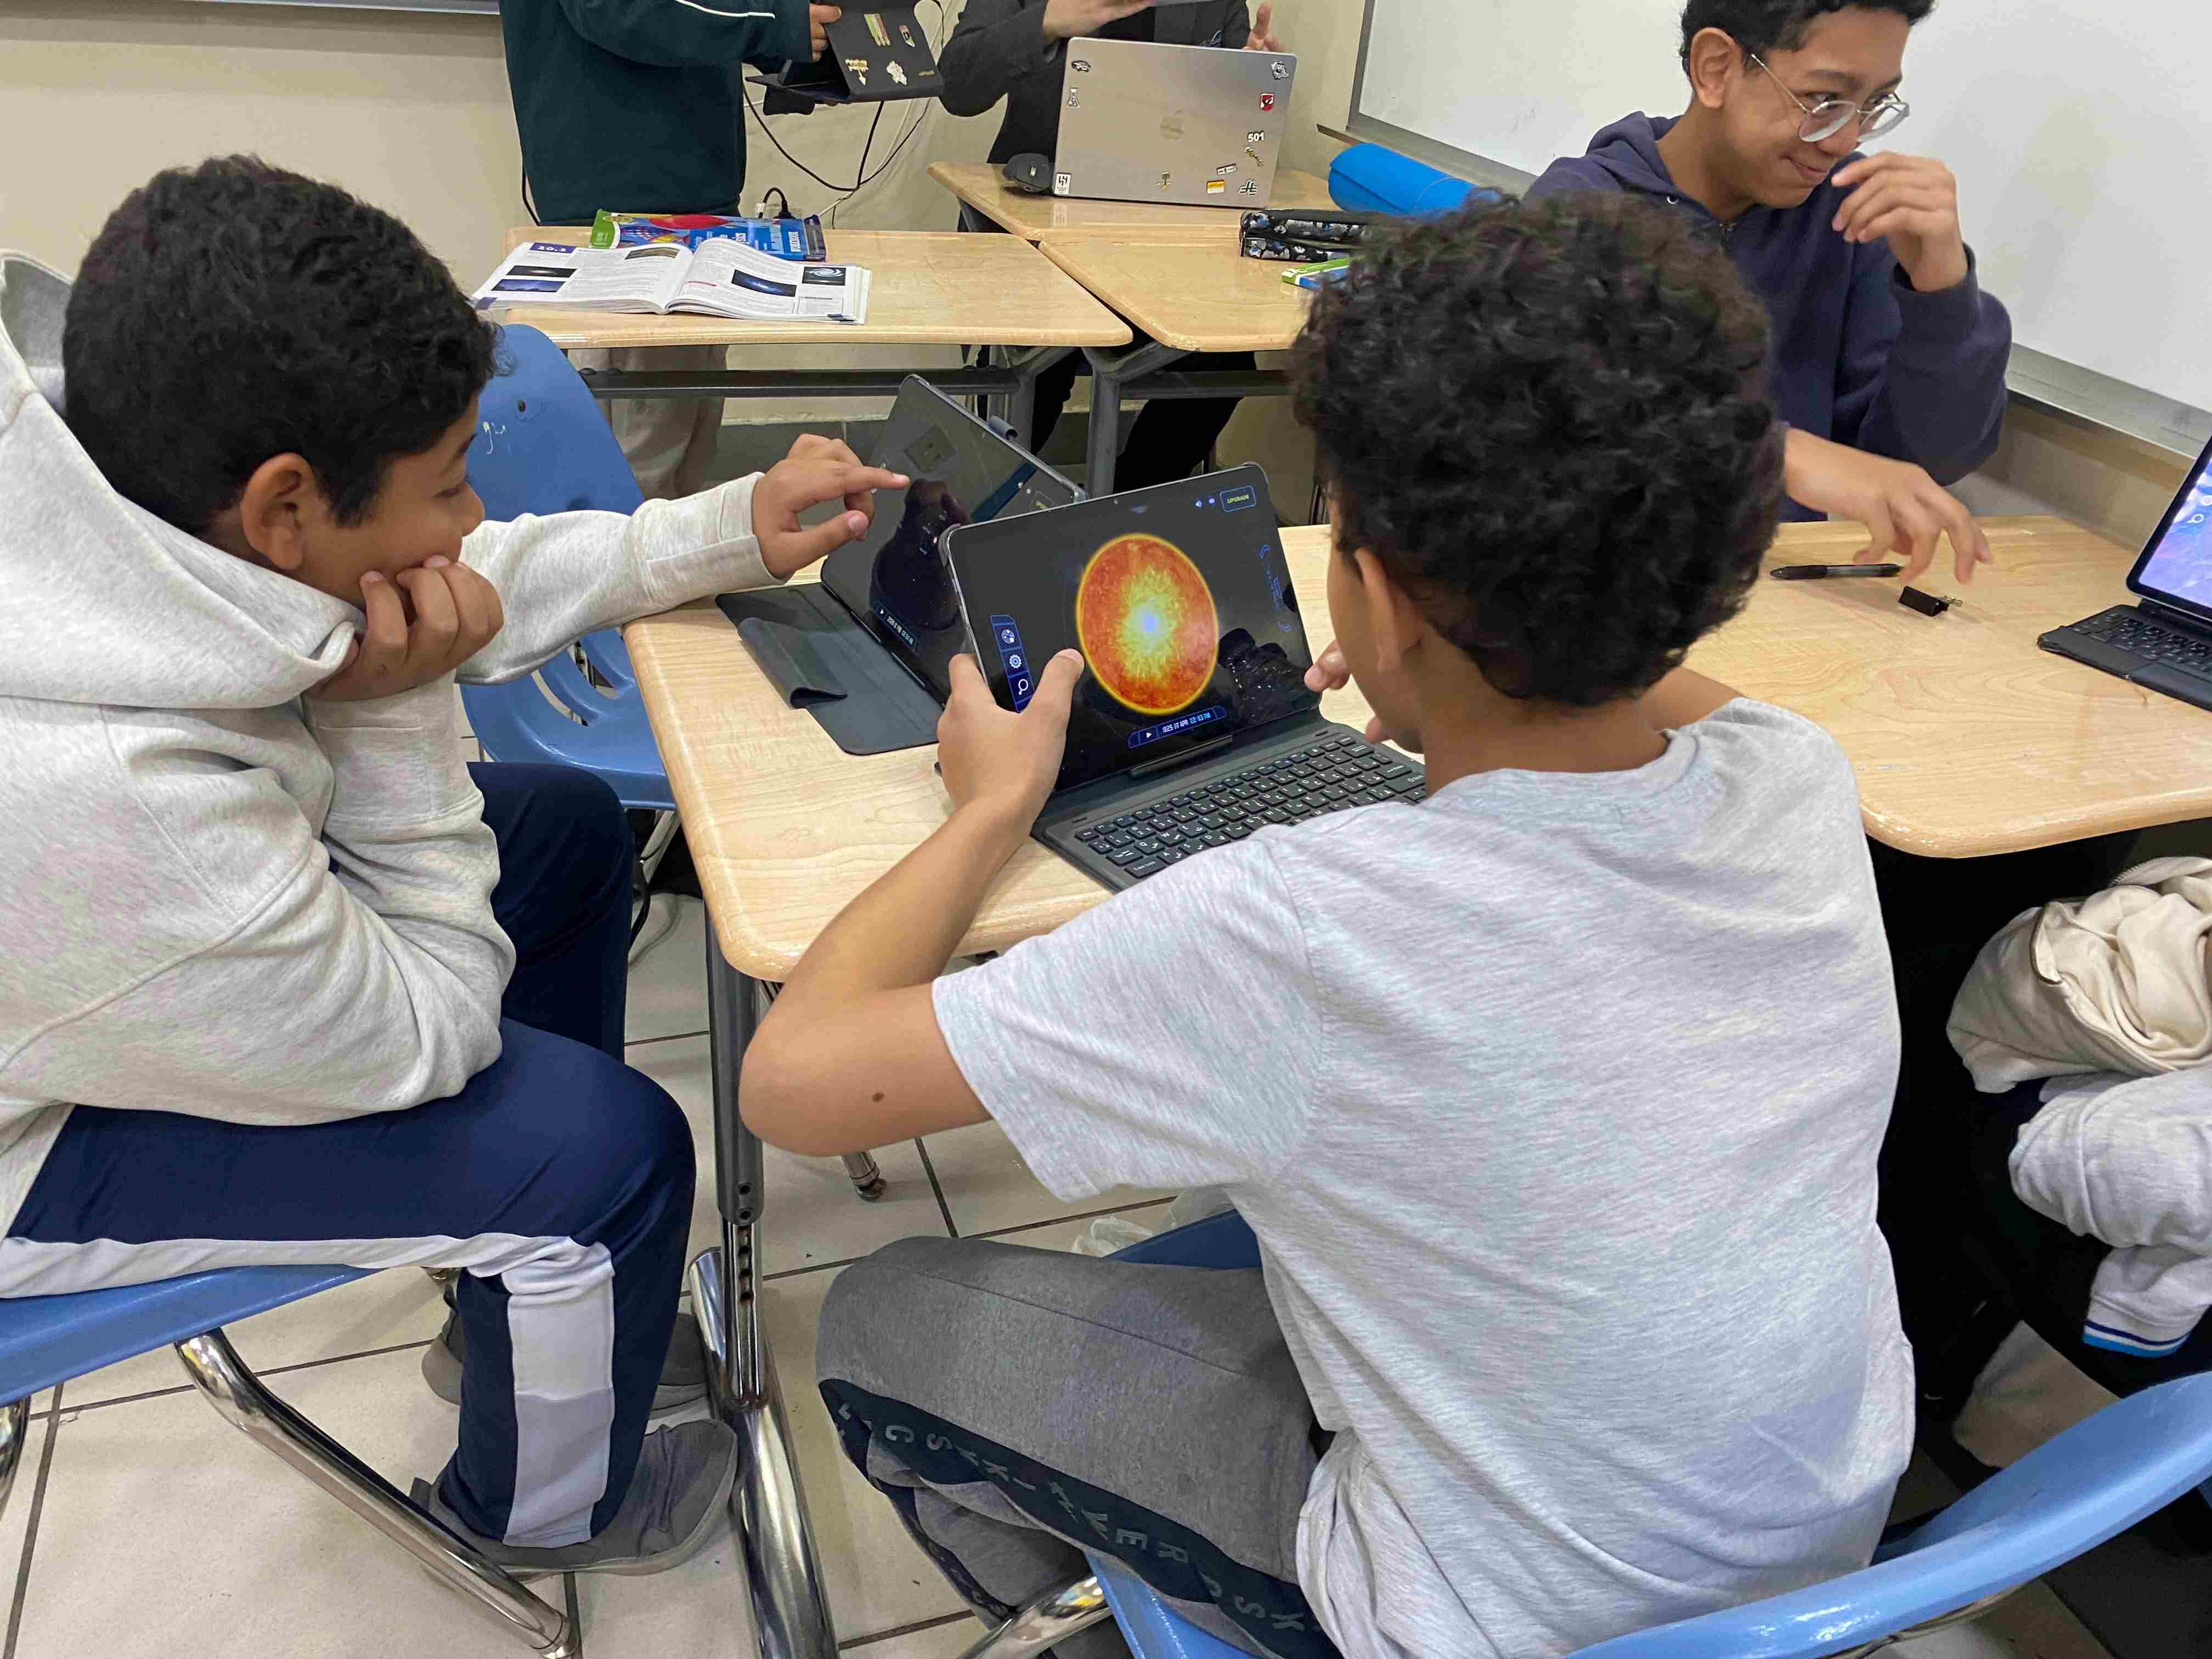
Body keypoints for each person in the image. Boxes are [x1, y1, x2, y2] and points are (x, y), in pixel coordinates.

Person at [741, 193, 1912, 1658]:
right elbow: (1635, 646)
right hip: (1814, 1558)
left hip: (1511, 1617)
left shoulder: (1301, 925)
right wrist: (1457, 651)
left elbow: (793, 1081)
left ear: (1378, 594)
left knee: (884, 1313)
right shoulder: (1795, 778)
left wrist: (992, 805)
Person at [0, 156, 903, 1576]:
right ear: (285, 511)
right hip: (33, 1150)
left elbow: (456, 584)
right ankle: (540, 1517)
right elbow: (431, 1030)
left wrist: (728, 526)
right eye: (451, 482)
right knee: (613, 1158)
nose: (475, 514)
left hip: (116, 970)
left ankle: (518, 1303)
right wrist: (401, 708)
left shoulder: (136, 480)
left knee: (561, 833)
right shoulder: (112, 791)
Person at [1530, 0, 2008, 587]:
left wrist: (1942, 291)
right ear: (1715, 69)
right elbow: (1555, 439)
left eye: (1874, 105)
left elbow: (1929, 460)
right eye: (1824, 101)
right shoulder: (1577, 214)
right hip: (1604, 590)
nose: (1845, 139)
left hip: (1780, 591)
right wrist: (1774, 451)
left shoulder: (1850, 217)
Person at [498, 0, 840, 499]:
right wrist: (775, 22)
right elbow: (625, 10)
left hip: (686, 199)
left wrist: (809, 49)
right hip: (627, 209)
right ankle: (626, 548)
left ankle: (670, 546)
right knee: (642, 452)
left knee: (685, 433)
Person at [939, 0, 1288, 487]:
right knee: (1039, 363)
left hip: (1164, 252)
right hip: (1038, 244)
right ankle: (981, 506)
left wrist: (1250, 89)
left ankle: (1125, 505)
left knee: (1223, 363)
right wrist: (1046, 23)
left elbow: (1232, 147)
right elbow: (956, 85)